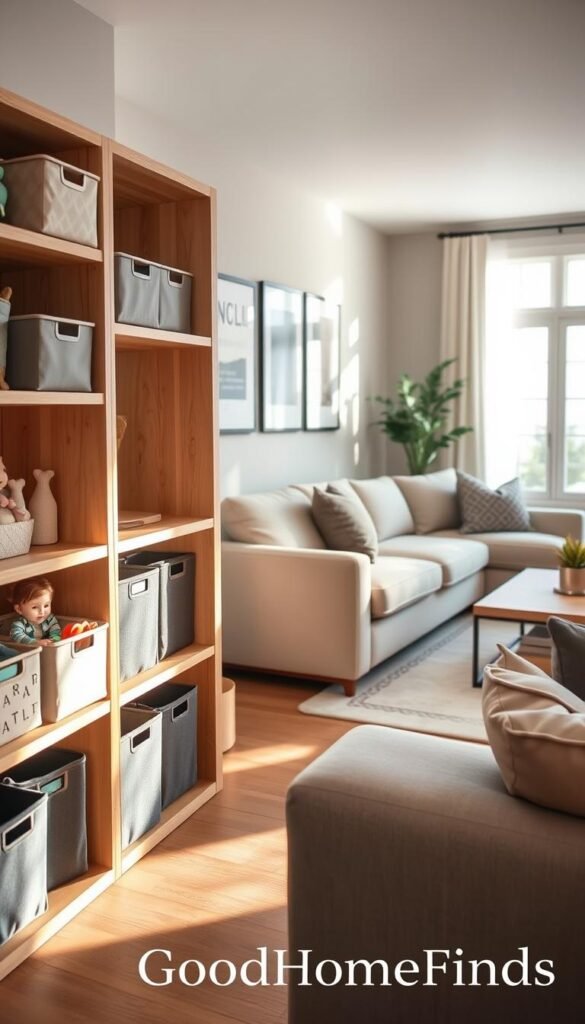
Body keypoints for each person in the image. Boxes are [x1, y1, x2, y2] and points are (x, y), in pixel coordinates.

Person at [9, 577, 61, 646]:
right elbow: (17, 636)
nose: (42, 612)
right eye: (34, 607)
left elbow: (56, 631)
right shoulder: (19, 624)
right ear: (19, 609)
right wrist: (35, 642)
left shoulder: (50, 619)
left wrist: (54, 640)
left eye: (46, 605)